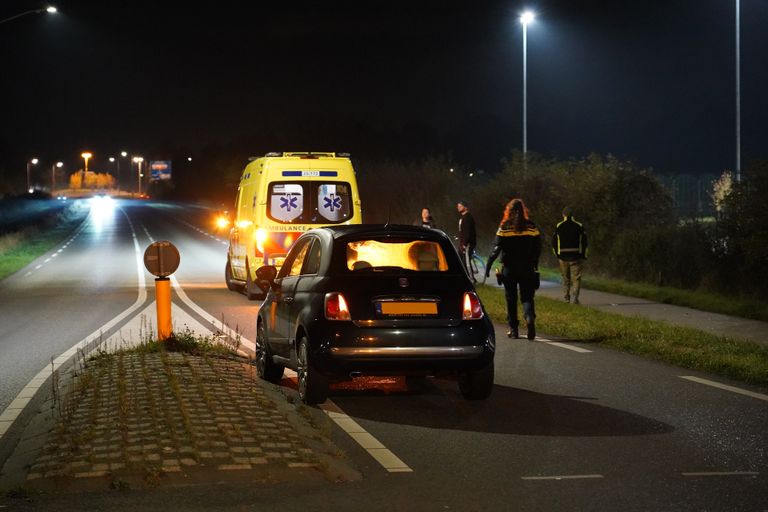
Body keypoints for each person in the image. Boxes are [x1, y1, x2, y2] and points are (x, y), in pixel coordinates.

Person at [485, 198, 542, 340]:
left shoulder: (504, 227)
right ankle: (529, 317)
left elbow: (496, 249)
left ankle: (514, 329)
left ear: (509, 211)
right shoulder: (531, 226)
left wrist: (489, 265)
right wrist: (535, 263)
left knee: (511, 298)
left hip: (509, 269)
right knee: (527, 297)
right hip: (527, 268)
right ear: (523, 210)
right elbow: (538, 247)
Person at [552, 206, 588, 304]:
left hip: (563, 257)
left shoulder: (559, 225)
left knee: (566, 278)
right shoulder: (579, 226)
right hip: (576, 256)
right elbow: (584, 242)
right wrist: (584, 255)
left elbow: (554, 242)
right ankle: (575, 298)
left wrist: (556, 253)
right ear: (572, 215)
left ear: (563, 214)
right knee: (576, 278)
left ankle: (566, 298)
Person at [456, 200, 477, 281]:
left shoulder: (468, 217)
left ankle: (472, 279)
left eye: (460, 206)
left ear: (465, 207)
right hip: (462, 243)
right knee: (461, 260)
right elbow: (462, 231)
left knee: (467, 261)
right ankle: (464, 277)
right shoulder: (462, 217)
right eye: (458, 206)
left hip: (468, 243)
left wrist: (464, 244)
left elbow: (468, 232)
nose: (458, 207)